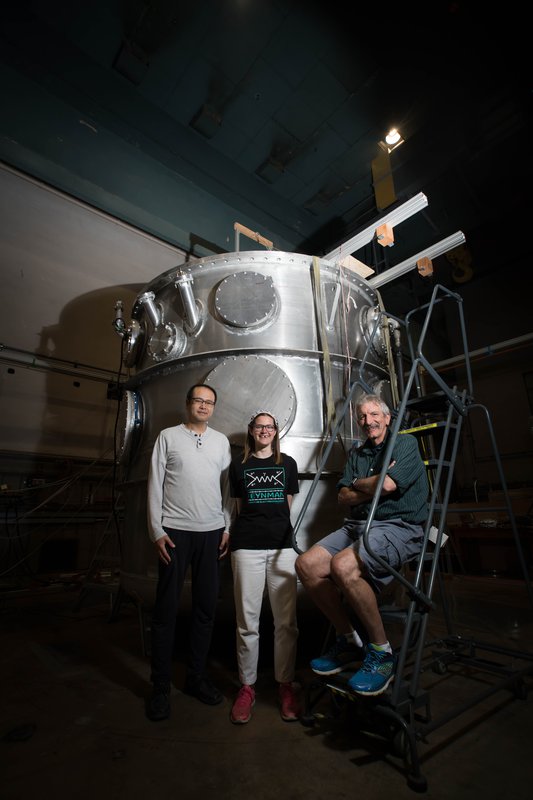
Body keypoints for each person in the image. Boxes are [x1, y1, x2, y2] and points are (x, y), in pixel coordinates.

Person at [295, 393, 428, 696]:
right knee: (306, 564)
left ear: (387, 417)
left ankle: (382, 653)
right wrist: (366, 485)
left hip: (400, 527)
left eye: (374, 415)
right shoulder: (358, 454)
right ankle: (349, 641)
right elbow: (343, 497)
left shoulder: (405, 444)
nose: (368, 422)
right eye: (363, 417)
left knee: (342, 565)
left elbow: (390, 484)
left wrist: (363, 484)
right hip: (358, 525)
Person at [146, 383, 232, 721]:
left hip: (211, 534)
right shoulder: (168, 436)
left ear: (214, 407)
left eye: (209, 402)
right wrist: (156, 529)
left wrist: (226, 527)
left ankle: (196, 678)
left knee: (205, 609)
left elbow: (227, 490)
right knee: (165, 611)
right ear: (188, 404)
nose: (203, 406)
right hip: (175, 534)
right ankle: (160, 686)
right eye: (198, 400)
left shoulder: (221, 441)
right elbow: (154, 482)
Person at [228, 411, 300, 724]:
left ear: (275, 431)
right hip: (247, 546)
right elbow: (240, 509)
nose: (265, 430)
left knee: (286, 622)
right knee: (248, 622)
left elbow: (287, 505)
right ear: (252, 431)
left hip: (283, 546)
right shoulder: (239, 465)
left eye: (270, 426)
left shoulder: (288, 464)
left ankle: (285, 684)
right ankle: (247, 687)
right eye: (260, 426)